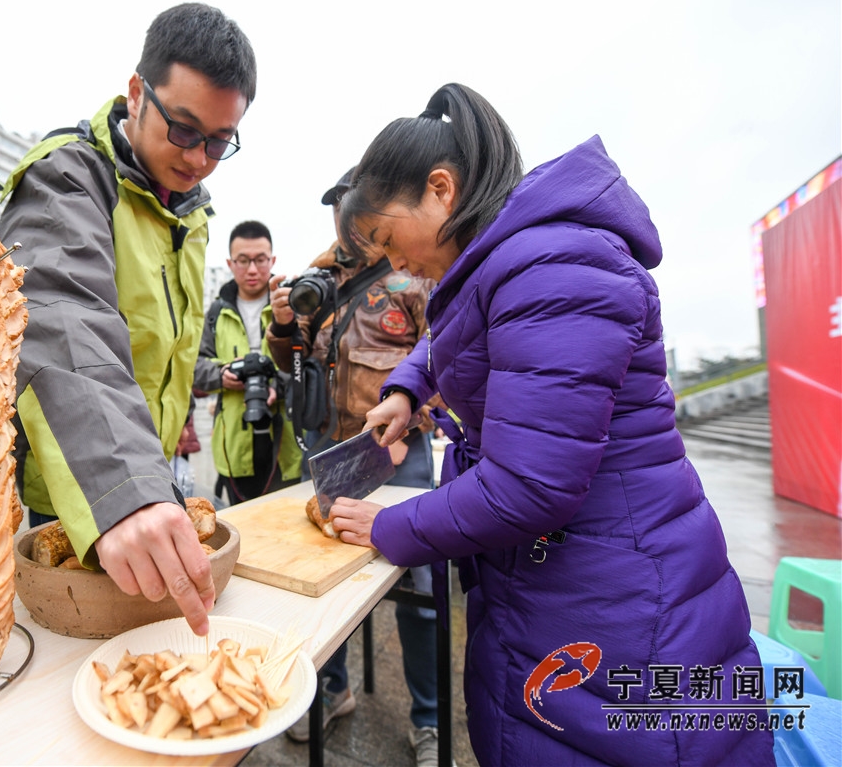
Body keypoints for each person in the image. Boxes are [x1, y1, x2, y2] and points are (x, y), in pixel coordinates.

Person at [329, 84, 774, 766]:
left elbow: (530, 486)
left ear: (441, 190)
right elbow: (464, 331)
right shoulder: (508, 259)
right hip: (559, 577)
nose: (394, 266)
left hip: (614, 594)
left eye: (389, 239)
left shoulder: (558, 263)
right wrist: (407, 387)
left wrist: (394, 526)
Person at [0, 3, 256, 637]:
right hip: (76, 486)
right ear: (137, 93)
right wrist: (125, 487)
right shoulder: (69, 175)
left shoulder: (192, 215)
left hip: (146, 478)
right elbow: (63, 318)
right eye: (186, 130)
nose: (199, 158)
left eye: (221, 142)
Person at [266, 170, 441, 765]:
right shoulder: (318, 276)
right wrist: (284, 325)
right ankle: (332, 689)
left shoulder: (413, 271)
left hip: (398, 446)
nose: (349, 231)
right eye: (340, 218)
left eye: (360, 218)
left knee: (418, 580)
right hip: (329, 446)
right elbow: (291, 362)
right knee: (325, 575)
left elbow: (444, 356)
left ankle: (430, 719)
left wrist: (410, 420)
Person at [193, 220, 301, 505]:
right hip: (234, 445)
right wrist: (222, 374)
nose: (252, 269)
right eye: (243, 260)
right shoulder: (215, 313)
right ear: (230, 263)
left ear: (273, 260)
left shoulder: (292, 306)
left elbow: (307, 361)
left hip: (284, 442)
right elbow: (193, 366)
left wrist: (279, 384)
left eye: (260, 260)